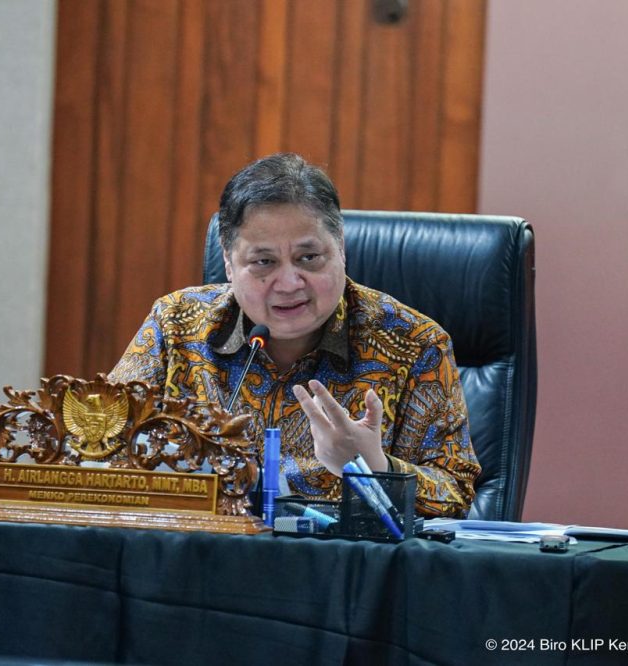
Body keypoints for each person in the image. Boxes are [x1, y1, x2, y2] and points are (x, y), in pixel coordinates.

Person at [108, 153, 480, 516]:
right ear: (228, 262)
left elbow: (455, 493)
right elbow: (100, 448)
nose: (288, 283)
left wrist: (376, 467)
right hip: (201, 551)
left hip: (339, 557)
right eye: (263, 262)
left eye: (308, 258)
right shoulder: (176, 324)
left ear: (340, 248)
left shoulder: (414, 344)